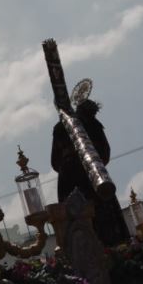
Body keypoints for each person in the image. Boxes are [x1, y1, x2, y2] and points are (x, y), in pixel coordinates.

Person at [51, 98, 130, 246]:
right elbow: (105, 153)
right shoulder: (91, 123)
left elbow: (55, 162)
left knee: (77, 227)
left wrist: (68, 164)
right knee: (106, 227)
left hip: (70, 181)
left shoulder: (60, 127)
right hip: (93, 176)